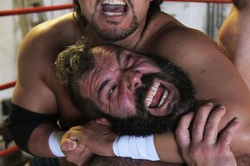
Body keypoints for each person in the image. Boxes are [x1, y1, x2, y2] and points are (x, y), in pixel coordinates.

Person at [7, 0, 250, 165]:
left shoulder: (180, 46)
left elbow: (242, 133)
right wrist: (67, 142)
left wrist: (112, 144)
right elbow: (24, 126)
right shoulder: (46, 44)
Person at [54, 40, 240, 166]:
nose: (133, 77)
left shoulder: (224, 72)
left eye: (128, 60)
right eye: (111, 90)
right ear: (104, 122)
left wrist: (116, 144)